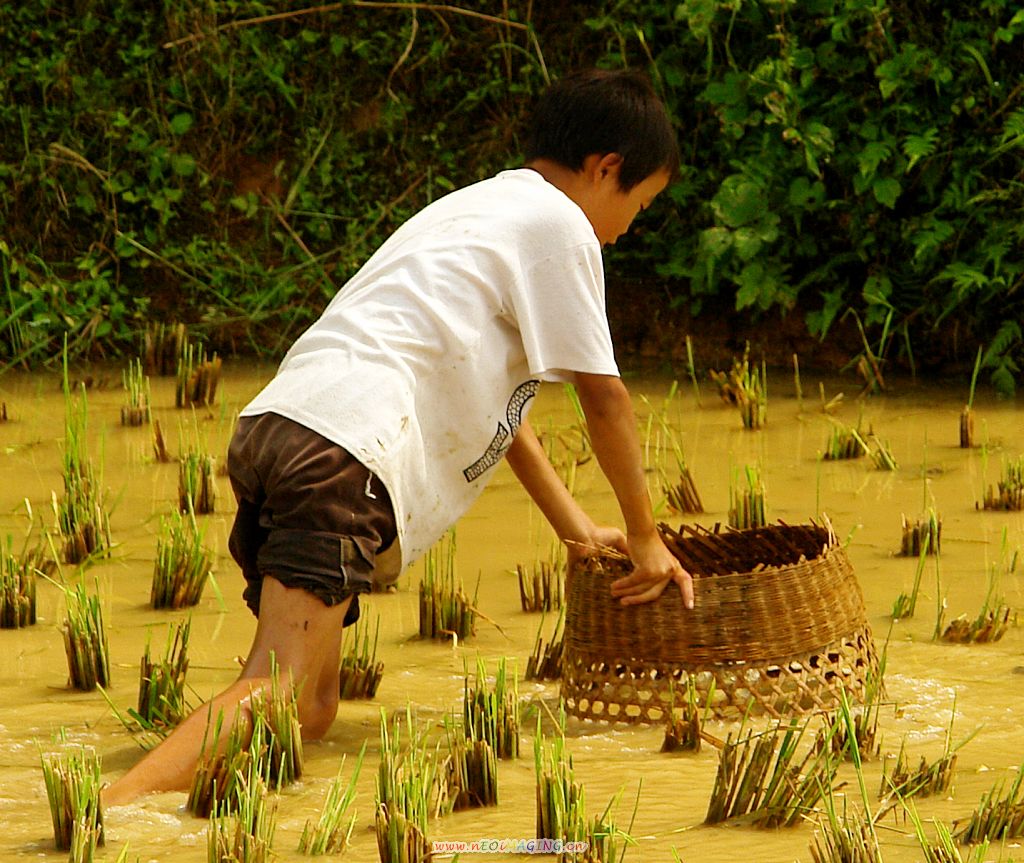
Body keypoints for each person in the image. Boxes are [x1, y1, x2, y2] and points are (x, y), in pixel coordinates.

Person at [102, 67, 692, 806]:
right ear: (607, 169)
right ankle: (104, 820)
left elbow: (504, 415)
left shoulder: (480, 208)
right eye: (640, 203)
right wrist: (645, 536)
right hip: (342, 452)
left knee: (312, 712)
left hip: (279, 429)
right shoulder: (561, 226)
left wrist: (573, 526)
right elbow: (606, 399)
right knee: (275, 691)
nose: (628, 225)